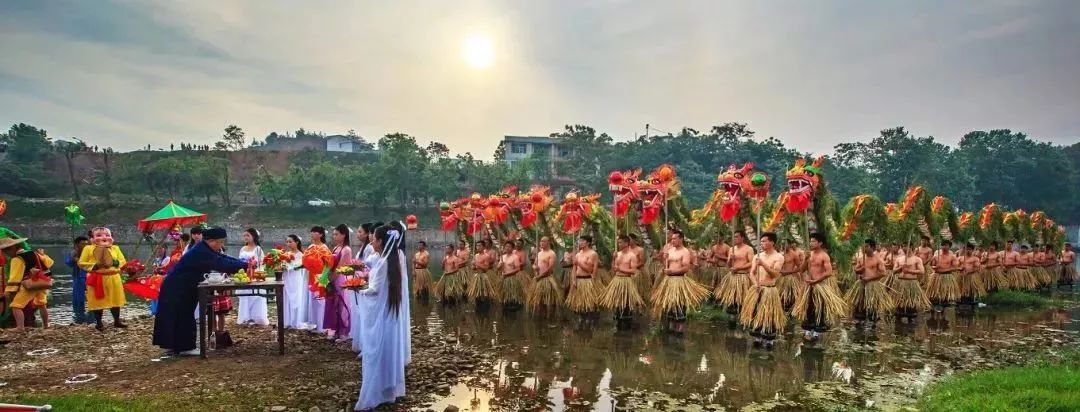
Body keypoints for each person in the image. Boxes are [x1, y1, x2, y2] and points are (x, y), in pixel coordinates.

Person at [153, 228, 250, 356]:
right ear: (211, 241)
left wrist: (244, 263)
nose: (221, 245)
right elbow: (222, 263)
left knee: (180, 315)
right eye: (220, 242)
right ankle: (185, 348)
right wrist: (245, 266)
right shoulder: (202, 252)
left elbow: (223, 257)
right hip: (178, 286)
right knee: (182, 316)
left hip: (182, 286)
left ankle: (177, 346)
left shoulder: (205, 249)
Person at [354, 225, 409, 411]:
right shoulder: (388, 261)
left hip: (380, 314)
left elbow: (375, 290)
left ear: (380, 241)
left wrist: (358, 290)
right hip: (388, 313)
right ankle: (388, 388)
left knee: (376, 350)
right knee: (387, 348)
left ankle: (376, 391)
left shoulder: (384, 262)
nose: (372, 241)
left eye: (374, 239)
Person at [792, 233, 847, 342]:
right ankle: (808, 331)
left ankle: (817, 332)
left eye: (813, 241)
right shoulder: (809, 254)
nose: (811, 243)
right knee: (808, 307)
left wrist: (816, 281)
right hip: (808, 286)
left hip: (819, 286)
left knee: (819, 308)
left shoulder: (824, 256)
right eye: (810, 241)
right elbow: (801, 270)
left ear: (820, 243)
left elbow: (829, 272)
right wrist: (806, 259)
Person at [650, 230, 710, 320]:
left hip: (679, 280)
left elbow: (686, 268)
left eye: (675, 239)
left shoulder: (685, 252)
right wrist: (663, 259)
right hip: (669, 281)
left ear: (681, 239)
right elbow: (666, 266)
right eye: (672, 239)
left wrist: (672, 272)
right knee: (669, 307)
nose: (672, 240)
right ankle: (670, 325)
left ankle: (679, 326)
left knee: (679, 307)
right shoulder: (670, 251)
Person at [739, 233, 786, 348]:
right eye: (761, 241)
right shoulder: (757, 256)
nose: (761, 243)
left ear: (772, 242)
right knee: (755, 312)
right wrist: (755, 283)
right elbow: (752, 273)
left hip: (770, 290)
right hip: (757, 289)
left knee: (769, 314)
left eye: (764, 241)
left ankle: (769, 340)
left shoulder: (779, 257)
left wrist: (763, 264)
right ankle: (757, 337)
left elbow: (774, 274)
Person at [79, 227, 128, 331]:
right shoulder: (88, 249)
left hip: (113, 277)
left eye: (107, 235)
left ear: (112, 238)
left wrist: (114, 263)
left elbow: (123, 261)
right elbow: (81, 263)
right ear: (92, 238)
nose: (103, 237)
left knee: (115, 299)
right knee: (98, 301)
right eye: (99, 235)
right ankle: (99, 323)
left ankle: (117, 320)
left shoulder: (115, 248)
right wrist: (95, 266)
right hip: (97, 278)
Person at [2, 237, 52, 330]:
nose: (6, 254)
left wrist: (8, 291)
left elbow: (15, 278)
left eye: (6, 251)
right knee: (41, 304)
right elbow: (49, 263)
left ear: (12, 248)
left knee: (15, 306)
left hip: (30, 284)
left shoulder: (17, 259)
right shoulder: (34, 253)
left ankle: (20, 327)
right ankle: (46, 325)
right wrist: (42, 255)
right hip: (42, 282)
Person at [846, 239, 894, 328]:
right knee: (860, 302)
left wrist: (870, 278)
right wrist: (860, 269)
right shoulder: (861, 258)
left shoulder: (878, 259)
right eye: (863, 246)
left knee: (872, 303)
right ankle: (860, 319)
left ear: (872, 248)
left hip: (873, 285)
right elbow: (856, 270)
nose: (864, 248)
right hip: (861, 284)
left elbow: (883, 273)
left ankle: (873, 321)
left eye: (866, 246)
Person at [600, 235, 645, 321]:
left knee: (626, 300)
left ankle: (627, 319)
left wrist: (620, 269)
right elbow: (613, 268)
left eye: (620, 242)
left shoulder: (632, 256)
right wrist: (613, 259)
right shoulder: (617, 254)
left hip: (627, 280)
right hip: (617, 280)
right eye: (618, 242)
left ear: (626, 243)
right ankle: (618, 318)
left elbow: (633, 271)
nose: (618, 244)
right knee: (618, 300)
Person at [324, 224, 353, 341]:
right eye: (334, 234)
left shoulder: (346, 249)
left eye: (336, 234)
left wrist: (331, 278)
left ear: (343, 235)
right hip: (333, 277)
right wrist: (326, 275)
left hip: (341, 279)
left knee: (342, 305)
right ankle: (335, 329)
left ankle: (344, 332)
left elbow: (340, 267)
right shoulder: (336, 248)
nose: (334, 236)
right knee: (333, 304)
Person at [715, 231, 754, 316]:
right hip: (732, 277)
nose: (734, 238)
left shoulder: (749, 249)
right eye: (734, 237)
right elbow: (728, 265)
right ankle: (732, 318)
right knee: (732, 299)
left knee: (742, 299)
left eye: (736, 237)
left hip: (743, 277)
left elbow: (751, 263)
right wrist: (730, 260)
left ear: (742, 238)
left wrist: (739, 268)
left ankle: (743, 317)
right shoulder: (732, 249)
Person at [236, 228, 269, 326]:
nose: (245, 237)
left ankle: (257, 317)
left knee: (256, 296)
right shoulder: (243, 249)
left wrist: (254, 267)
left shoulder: (258, 249)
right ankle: (245, 318)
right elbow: (239, 262)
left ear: (253, 237)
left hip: (255, 274)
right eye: (244, 236)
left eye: (248, 235)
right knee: (245, 296)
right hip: (245, 275)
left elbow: (262, 263)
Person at [303, 227, 332, 332]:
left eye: (315, 232)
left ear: (321, 235)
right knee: (312, 301)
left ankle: (322, 326)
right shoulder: (310, 247)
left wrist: (323, 277)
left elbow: (328, 264)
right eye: (312, 232)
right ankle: (314, 323)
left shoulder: (324, 248)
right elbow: (305, 260)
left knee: (320, 301)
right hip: (311, 275)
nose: (312, 234)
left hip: (321, 276)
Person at [565, 235, 602, 315]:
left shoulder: (593, 254)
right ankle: (581, 319)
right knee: (579, 305)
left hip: (588, 280)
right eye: (579, 241)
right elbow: (574, 269)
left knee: (589, 305)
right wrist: (573, 280)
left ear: (588, 243)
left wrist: (578, 262)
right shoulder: (578, 255)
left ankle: (590, 319)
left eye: (582, 241)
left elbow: (589, 270)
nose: (580, 243)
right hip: (578, 281)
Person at [893, 244, 932, 321]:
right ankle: (899, 319)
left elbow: (922, 271)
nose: (904, 248)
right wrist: (901, 268)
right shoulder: (899, 259)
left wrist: (909, 271)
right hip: (900, 283)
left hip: (912, 283)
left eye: (906, 246)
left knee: (911, 304)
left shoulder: (917, 259)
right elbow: (894, 271)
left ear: (911, 247)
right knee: (900, 303)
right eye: (903, 246)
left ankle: (910, 320)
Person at [527, 236, 562, 314]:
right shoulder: (539, 253)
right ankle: (542, 315)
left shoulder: (552, 253)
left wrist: (540, 277)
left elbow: (549, 269)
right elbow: (534, 264)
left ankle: (550, 316)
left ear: (548, 242)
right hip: (538, 279)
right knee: (539, 300)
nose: (541, 243)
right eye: (541, 241)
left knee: (549, 301)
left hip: (547, 279)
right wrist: (534, 268)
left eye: (543, 241)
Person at [282, 235, 308, 329]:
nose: (288, 244)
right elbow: (283, 264)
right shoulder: (286, 254)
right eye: (287, 242)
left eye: (290, 242)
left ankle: (296, 321)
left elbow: (299, 266)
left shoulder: (301, 254)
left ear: (296, 242)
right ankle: (287, 321)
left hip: (295, 278)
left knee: (296, 298)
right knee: (287, 298)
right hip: (287, 278)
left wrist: (289, 266)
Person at [927, 240, 961, 312]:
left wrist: (944, 270)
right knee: (934, 294)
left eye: (946, 245)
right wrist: (935, 267)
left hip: (947, 277)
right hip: (936, 277)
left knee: (945, 294)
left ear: (949, 247)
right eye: (943, 245)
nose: (944, 247)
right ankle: (934, 309)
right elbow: (932, 265)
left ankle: (943, 311)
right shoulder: (936, 255)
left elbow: (955, 268)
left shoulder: (952, 256)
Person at [66, 236, 92, 324]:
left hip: (90, 277)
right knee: (78, 299)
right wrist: (74, 258)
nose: (85, 246)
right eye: (82, 244)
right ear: (77, 244)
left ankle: (92, 317)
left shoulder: (90, 252)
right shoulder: (73, 253)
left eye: (86, 244)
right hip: (78, 277)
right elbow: (68, 263)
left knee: (92, 297)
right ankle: (79, 317)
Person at [497, 241, 526, 310]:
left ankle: (512, 309)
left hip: (512, 279)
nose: (507, 248)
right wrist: (500, 265)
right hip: (503, 279)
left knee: (511, 297)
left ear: (513, 248)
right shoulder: (502, 257)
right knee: (504, 297)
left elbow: (517, 269)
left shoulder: (515, 257)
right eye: (506, 246)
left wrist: (507, 274)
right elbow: (498, 268)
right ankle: (505, 309)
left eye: (509, 247)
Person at [466, 240, 497, 305]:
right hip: (476, 276)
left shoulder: (486, 256)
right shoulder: (476, 255)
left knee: (484, 292)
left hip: (483, 276)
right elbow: (474, 268)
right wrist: (473, 266)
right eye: (477, 246)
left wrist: (476, 263)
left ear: (483, 247)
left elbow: (486, 268)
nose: (478, 247)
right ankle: (478, 305)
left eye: (479, 246)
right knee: (477, 293)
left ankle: (485, 306)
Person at [777, 242, 804, 311]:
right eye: (782, 244)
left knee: (792, 294)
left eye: (786, 243)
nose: (784, 245)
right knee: (780, 294)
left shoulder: (794, 254)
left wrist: (789, 272)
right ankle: (783, 309)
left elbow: (799, 267)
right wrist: (780, 271)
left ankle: (792, 309)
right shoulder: (780, 254)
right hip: (781, 278)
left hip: (791, 278)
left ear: (789, 245)